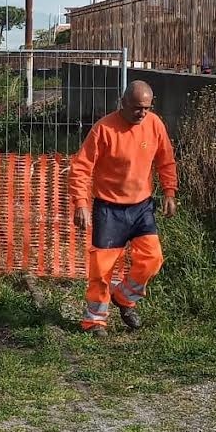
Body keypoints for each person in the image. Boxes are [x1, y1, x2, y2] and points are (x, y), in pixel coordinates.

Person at [68, 81, 177, 336]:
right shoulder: (103, 129)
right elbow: (81, 168)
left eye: (147, 108)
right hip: (109, 209)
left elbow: (166, 160)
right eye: (137, 108)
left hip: (141, 207)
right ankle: (95, 320)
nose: (142, 113)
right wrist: (81, 203)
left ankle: (124, 297)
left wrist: (169, 192)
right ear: (123, 103)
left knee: (153, 259)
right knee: (101, 269)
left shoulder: (155, 124)